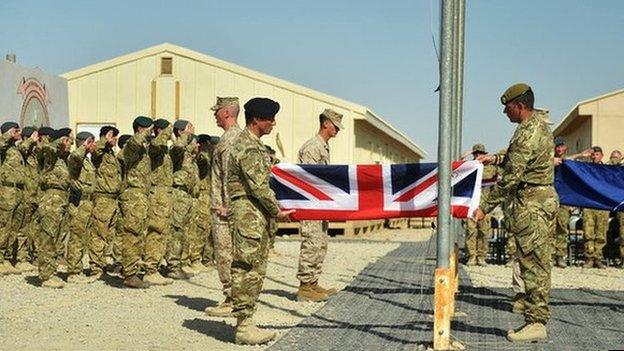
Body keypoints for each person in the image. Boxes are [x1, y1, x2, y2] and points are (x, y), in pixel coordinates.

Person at [474, 83, 558, 342]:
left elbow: (510, 179)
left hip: (532, 205)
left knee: (533, 265)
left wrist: (484, 207)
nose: (504, 113)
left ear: (520, 106)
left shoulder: (526, 133)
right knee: (535, 262)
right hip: (538, 202)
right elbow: (519, 160)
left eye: (507, 107)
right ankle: (535, 318)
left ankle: (536, 322)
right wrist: (494, 159)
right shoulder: (537, 126)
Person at [227, 97, 294, 345]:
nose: (273, 124)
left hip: (255, 213)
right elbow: (258, 186)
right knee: (247, 266)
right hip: (247, 212)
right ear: (256, 120)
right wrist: (277, 210)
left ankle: (247, 321)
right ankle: (243, 326)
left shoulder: (257, 147)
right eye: (270, 119)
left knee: (256, 267)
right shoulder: (247, 147)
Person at [295, 108, 343, 302]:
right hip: (311, 204)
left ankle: (313, 282)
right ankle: (305, 286)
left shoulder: (323, 146)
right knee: (311, 243)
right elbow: (308, 178)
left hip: (320, 205)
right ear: (326, 123)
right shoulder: (312, 147)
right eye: (335, 126)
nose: (338, 130)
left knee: (321, 243)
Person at [206, 97, 243, 317]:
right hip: (227, 206)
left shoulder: (230, 140)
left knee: (226, 253)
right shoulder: (235, 137)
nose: (214, 115)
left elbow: (230, 176)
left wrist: (226, 206)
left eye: (217, 111)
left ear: (227, 112)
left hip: (224, 209)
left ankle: (232, 299)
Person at [36, 127, 74, 288]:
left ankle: (51, 271)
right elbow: (46, 148)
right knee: (48, 238)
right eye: (67, 140)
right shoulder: (49, 157)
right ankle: (45, 276)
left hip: (61, 202)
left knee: (56, 238)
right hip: (51, 201)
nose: (70, 143)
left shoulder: (63, 160)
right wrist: (59, 142)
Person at [119, 116, 153, 288]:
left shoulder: (143, 149)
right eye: (149, 129)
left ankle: (132, 269)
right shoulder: (131, 147)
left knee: (139, 234)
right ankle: (130, 274)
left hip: (141, 197)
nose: (152, 131)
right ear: (140, 129)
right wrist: (145, 134)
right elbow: (134, 143)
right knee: (132, 234)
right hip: (133, 196)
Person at [0, 122, 37, 275]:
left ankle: (10, 258)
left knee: (17, 226)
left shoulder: (16, 149)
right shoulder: (4, 148)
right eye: (16, 131)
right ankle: (0, 259)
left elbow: (24, 147)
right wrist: (7, 134)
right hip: (7, 190)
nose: (19, 133)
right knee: (4, 225)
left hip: (20, 191)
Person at [144, 118, 175, 285]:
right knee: (156, 230)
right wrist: (167, 132)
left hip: (165, 194)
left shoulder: (164, 150)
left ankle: (155, 266)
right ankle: (150, 269)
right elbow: (156, 145)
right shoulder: (153, 146)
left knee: (163, 231)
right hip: (157, 193)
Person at [167, 119, 199, 279]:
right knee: (177, 231)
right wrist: (187, 134)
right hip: (178, 194)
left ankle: (181, 262)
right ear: (180, 132)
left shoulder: (188, 154)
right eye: (188, 130)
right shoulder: (176, 149)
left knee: (185, 231)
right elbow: (178, 147)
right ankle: (173, 266)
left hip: (187, 195)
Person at [89, 126, 122, 278]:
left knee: (110, 235)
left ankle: (105, 264)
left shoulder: (111, 155)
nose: (115, 140)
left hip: (113, 199)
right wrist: (103, 140)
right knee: (99, 234)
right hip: (103, 199)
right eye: (114, 137)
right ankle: (96, 268)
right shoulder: (99, 152)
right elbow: (95, 153)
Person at [66, 131, 98, 284]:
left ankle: (78, 267)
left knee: (84, 237)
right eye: (92, 142)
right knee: (76, 237)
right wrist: (83, 147)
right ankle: (73, 271)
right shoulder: (76, 158)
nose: (94, 145)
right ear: (86, 142)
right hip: (79, 203)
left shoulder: (87, 160)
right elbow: (75, 157)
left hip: (88, 203)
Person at [464, 143, 497, 266]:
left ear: (484, 154)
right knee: (471, 231)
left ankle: (481, 256)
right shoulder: (469, 167)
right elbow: (454, 169)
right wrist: (463, 156)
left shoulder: (492, 168)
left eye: (481, 153)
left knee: (483, 231)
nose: (478, 155)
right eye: (476, 153)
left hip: (485, 205)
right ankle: (472, 256)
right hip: (471, 204)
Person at [189, 134, 214, 271]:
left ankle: (206, 258)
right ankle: (195, 258)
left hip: (209, 195)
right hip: (202, 196)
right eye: (208, 144)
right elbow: (203, 160)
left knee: (207, 229)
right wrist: (206, 151)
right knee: (200, 228)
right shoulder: (201, 157)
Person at [581, 146, 609, 269]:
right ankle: (589, 258)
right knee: (588, 232)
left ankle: (598, 257)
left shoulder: (607, 169)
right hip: (589, 204)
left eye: (597, 154)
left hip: (602, 204)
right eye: (593, 155)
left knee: (601, 233)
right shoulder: (586, 169)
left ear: (602, 155)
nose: (594, 156)